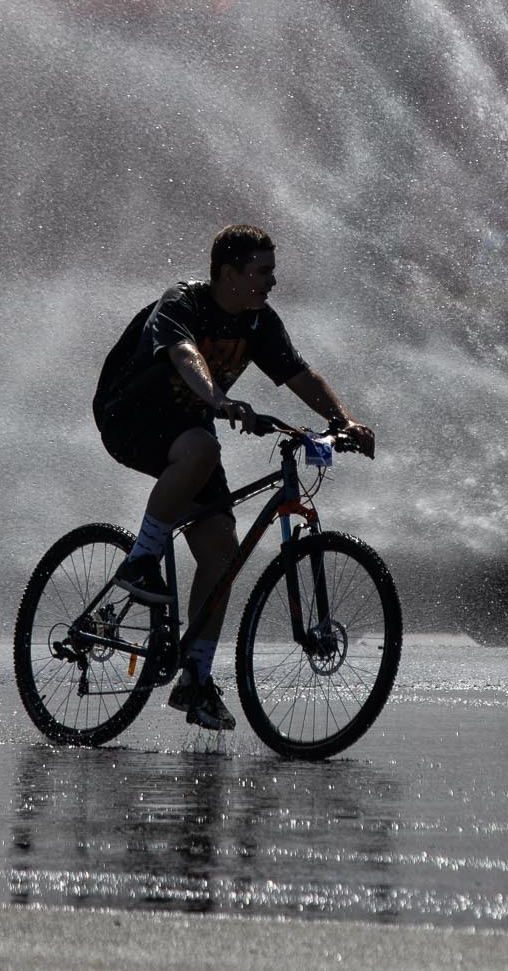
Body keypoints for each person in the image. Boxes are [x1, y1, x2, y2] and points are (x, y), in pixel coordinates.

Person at [92, 223, 374, 731]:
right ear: (228, 273)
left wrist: (342, 421)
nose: (271, 282)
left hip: (190, 429)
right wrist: (219, 400)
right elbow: (184, 354)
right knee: (201, 445)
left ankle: (194, 681)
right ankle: (138, 564)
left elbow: (298, 373)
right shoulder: (182, 302)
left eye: (272, 271)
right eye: (261, 271)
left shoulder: (259, 322)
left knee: (221, 549)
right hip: (129, 415)